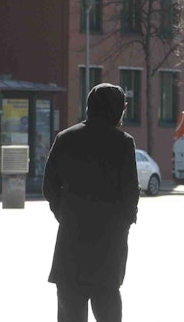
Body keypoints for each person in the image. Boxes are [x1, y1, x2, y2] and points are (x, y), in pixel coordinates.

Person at [45, 84, 140, 322]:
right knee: (108, 308)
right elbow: (131, 192)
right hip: (108, 243)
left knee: (70, 309)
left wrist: (64, 213)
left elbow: (49, 186)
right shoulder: (123, 142)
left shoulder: (66, 138)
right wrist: (124, 222)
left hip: (71, 241)